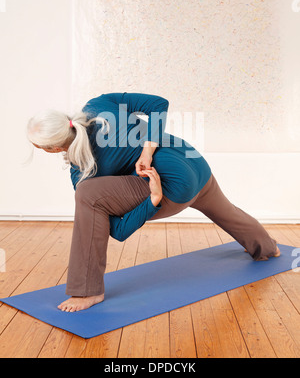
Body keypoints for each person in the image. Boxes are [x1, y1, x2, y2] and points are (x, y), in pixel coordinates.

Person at [27, 92, 280, 312]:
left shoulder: (83, 170)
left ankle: (88, 290)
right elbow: (158, 103)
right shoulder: (99, 103)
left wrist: (153, 200)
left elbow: (118, 230)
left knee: (87, 196)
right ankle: (267, 247)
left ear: (52, 149)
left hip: (171, 187)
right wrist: (149, 151)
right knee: (227, 211)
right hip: (195, 164)